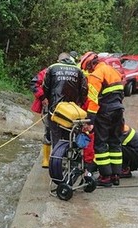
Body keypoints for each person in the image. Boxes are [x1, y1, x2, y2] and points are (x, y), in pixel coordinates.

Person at [79, 51, 125, 187]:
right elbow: (121, 92)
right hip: (119, 110)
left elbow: (93, 101)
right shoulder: (112, 70)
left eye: (88, 68)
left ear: (92, 64)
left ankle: (105, 176)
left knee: (100, 144)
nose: (88, 70)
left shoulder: (96, 76)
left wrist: (90, 120)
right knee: (115, 142)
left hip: (105, 112)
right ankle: (116, 175)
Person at [41, 52, 88, 148]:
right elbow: (84, 89)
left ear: (59, 60)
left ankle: (56, 157)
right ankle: (67, 154)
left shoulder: (52, 67)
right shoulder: (78, 70)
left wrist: (45, 98)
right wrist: (81, 102)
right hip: (72, 109)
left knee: (55, 133)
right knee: (68, 131)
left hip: (55, 108)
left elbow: (45, 87)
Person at [30, 65, 51, 167]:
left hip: (67, 106)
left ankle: (57, 157)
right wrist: (43, 98)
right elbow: (34, 84)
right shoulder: (48, 71)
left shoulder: (77, 70)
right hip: (50, 105)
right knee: (48, 131)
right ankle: (46, 159)